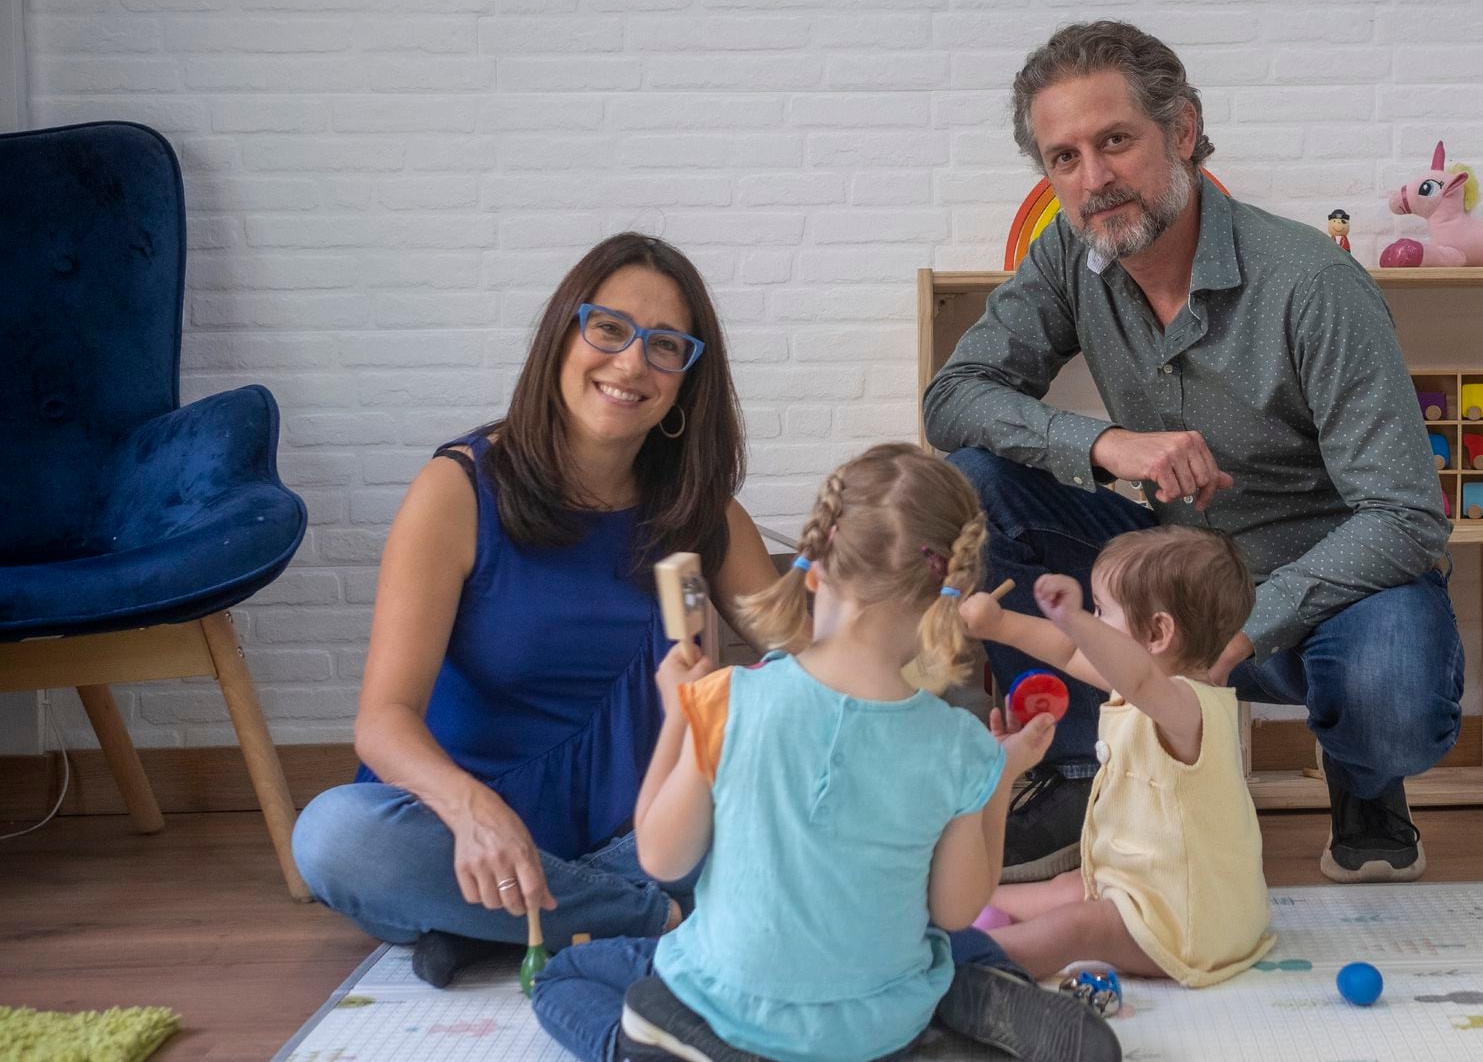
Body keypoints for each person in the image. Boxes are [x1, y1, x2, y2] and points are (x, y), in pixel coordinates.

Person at [922, 20, 1464, 886]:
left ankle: (1364, 778)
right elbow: (952, 400)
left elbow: (1405, 517)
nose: (1093, 181)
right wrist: (1103, 443)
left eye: (1115, 141)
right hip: (1176, 570)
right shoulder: (1069, 254)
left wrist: (1246, 628)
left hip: (1332, 585)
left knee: (1394, 704)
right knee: (976, 487)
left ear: (1180, 131)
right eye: (1063, 158)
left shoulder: (1314, 284)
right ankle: (1068, 766)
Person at [290, 234, 781, 986]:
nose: (630, 364)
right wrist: (470, 812)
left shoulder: (700, 511)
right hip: (467, 841)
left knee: (793, 806)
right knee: (335, 837)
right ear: (563, 334)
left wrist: (881, 572)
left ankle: (511, 929)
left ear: (686, 379)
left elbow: (811, 655)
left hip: (638, 838)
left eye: (665, 347)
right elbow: (382, 718)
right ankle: (651, 921)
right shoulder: (458, 490)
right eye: (610, 329)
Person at [530, 444, 1120, 1062]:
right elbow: (953, 909)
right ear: (948, 595)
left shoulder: (727, 699)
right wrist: (999, 781)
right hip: (878, 1025)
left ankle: (660, 1049)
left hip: (727, 1002)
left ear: (815, 564)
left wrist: (678, 716)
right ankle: (964, 1006)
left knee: (563, 974)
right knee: (945, 947)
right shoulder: (963, 746)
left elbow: (660, 856)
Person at [961, 526, 1274, 986]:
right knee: (1063, 889)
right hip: (1139, 885)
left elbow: (1137, 677)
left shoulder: (1189, 707)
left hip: (1186, 924)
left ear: (1157, 633)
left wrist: (1074, 618)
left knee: (1078, 926)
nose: (1091, 620)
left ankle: (962, 963)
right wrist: (999, 625)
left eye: (1101, 612)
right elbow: (1068, 652)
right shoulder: (1139, 690)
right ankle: (951, 910)